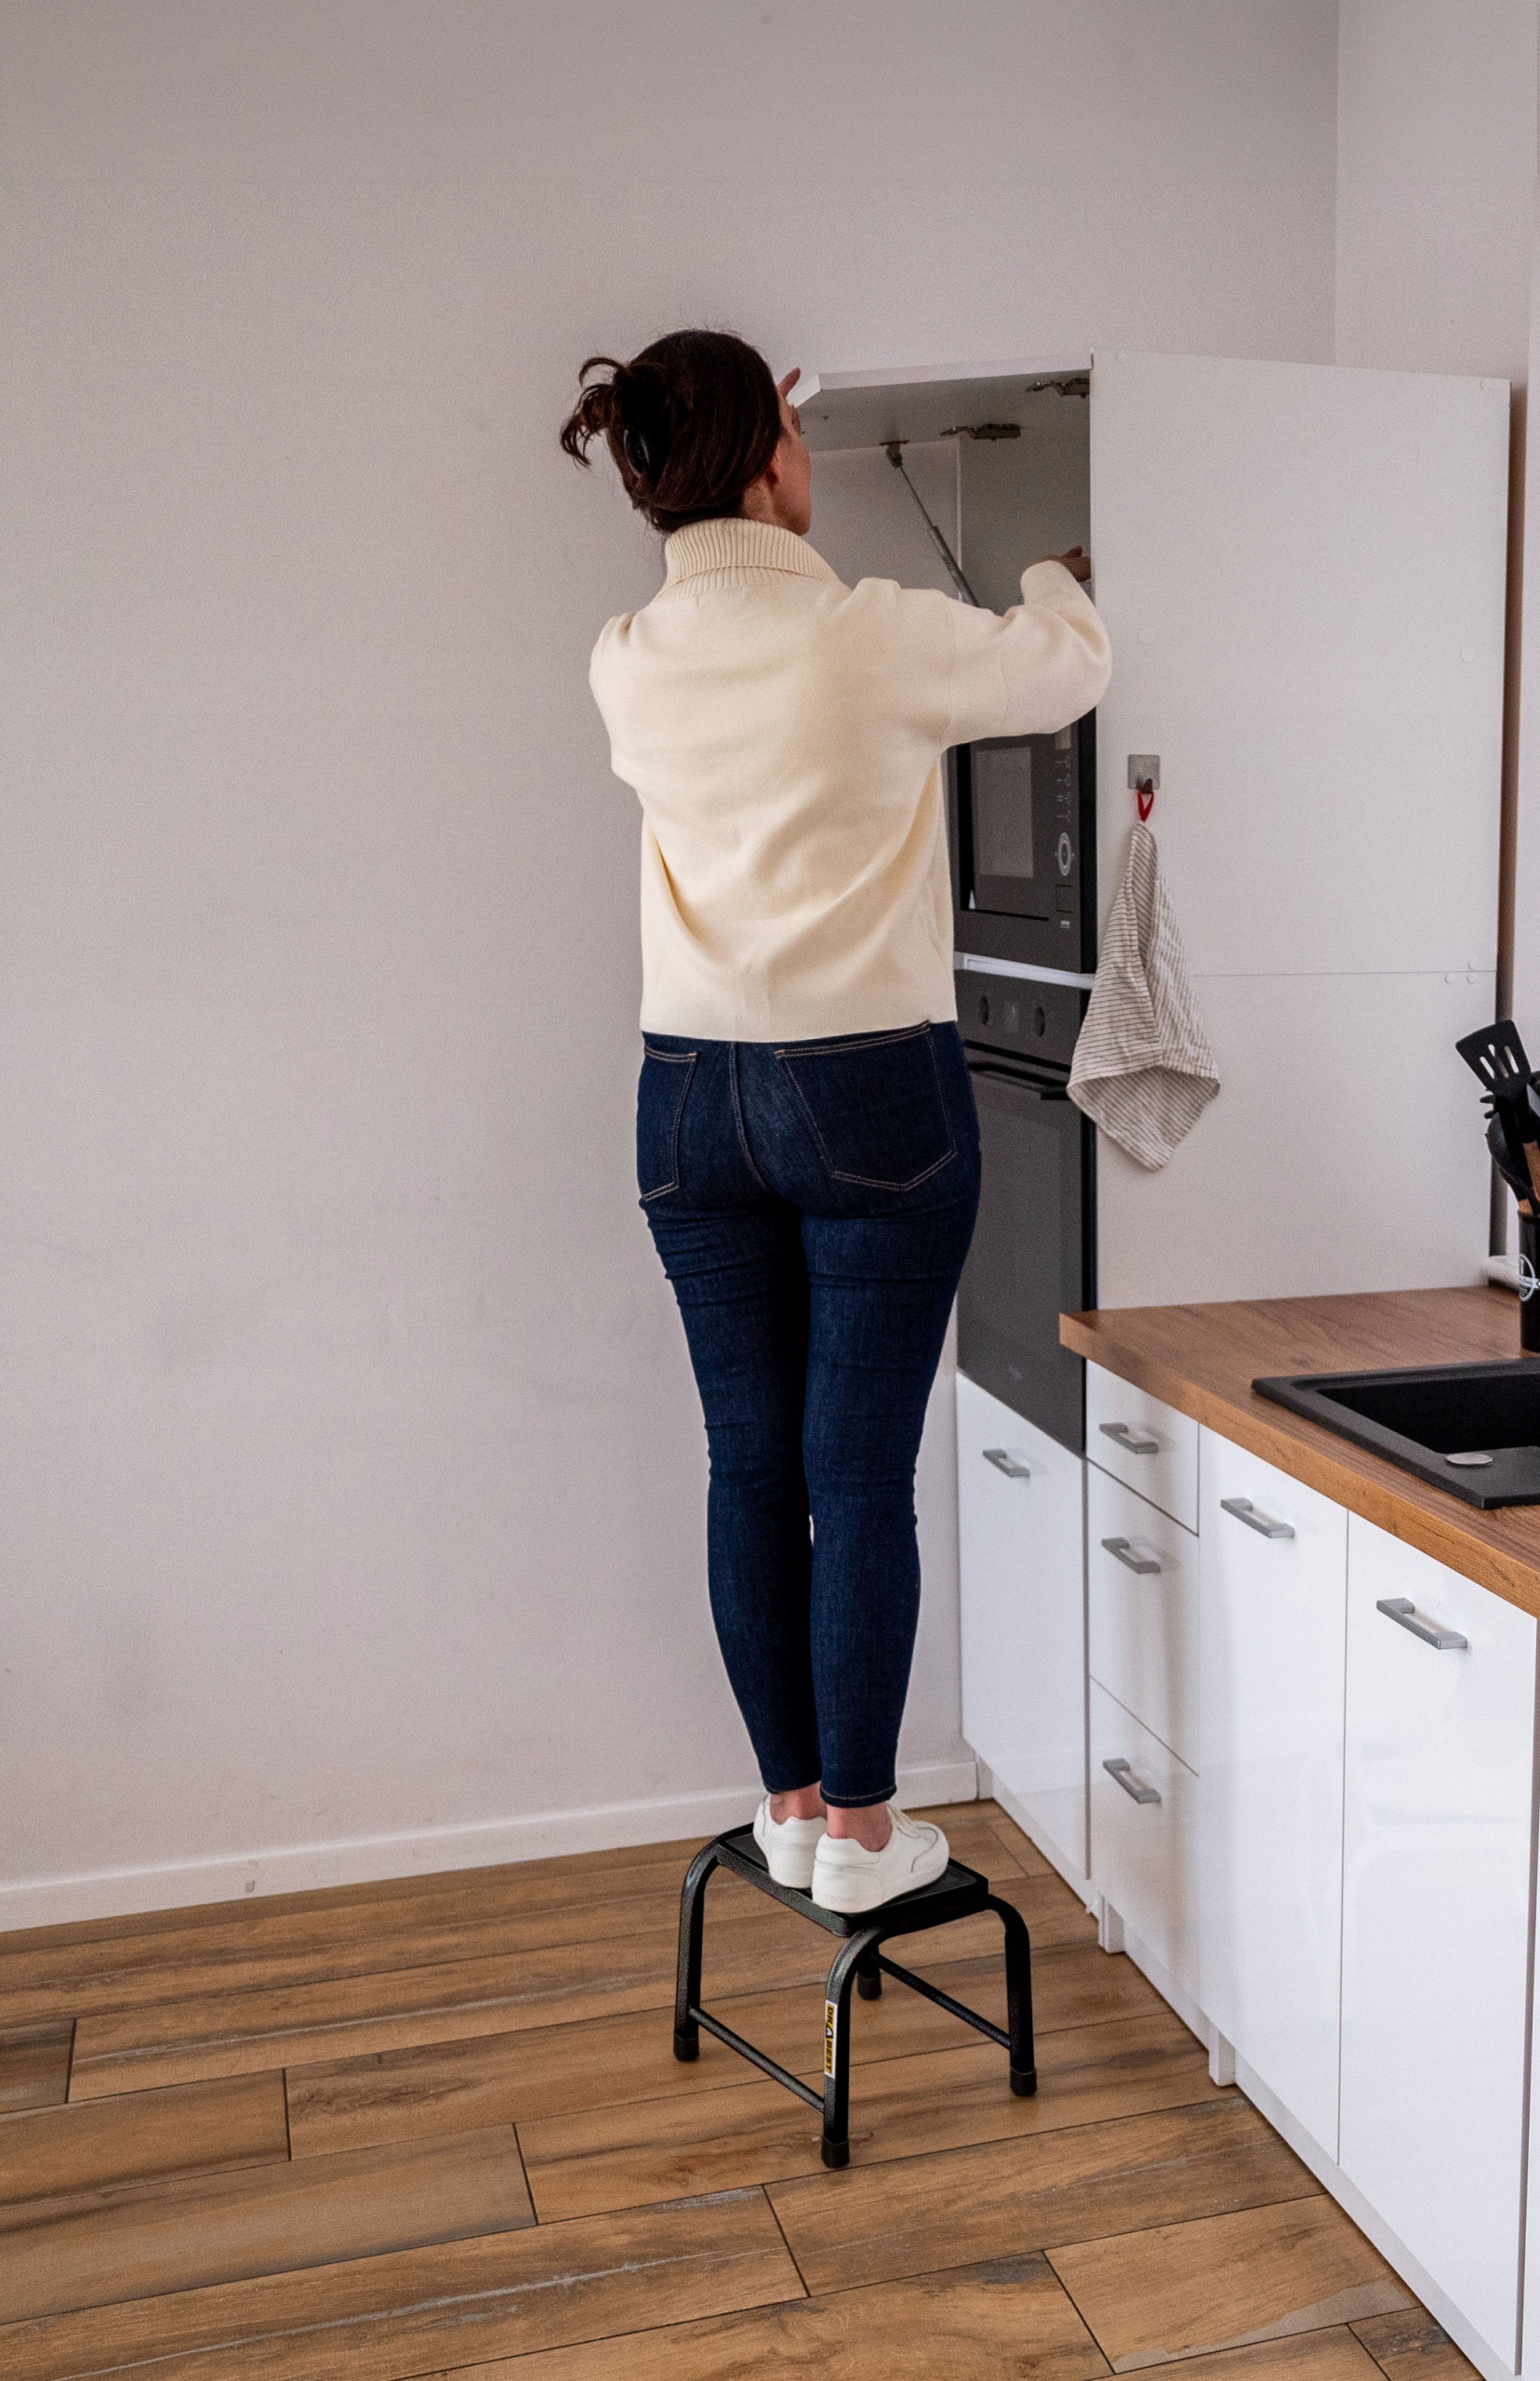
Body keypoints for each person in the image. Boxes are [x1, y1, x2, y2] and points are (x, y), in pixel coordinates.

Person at [563, 329, 1109, 1913]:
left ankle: (793, 1807)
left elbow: (730, 586)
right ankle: (867, 1837)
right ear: (766, 464)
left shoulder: (625, 657)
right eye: (792, 439)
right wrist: (1055, 575)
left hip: (688, 1098)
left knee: (750, 1460)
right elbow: (1066, 667)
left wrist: (745, 440)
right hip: (866, 1089)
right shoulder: (868, 636)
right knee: (856, 1473)